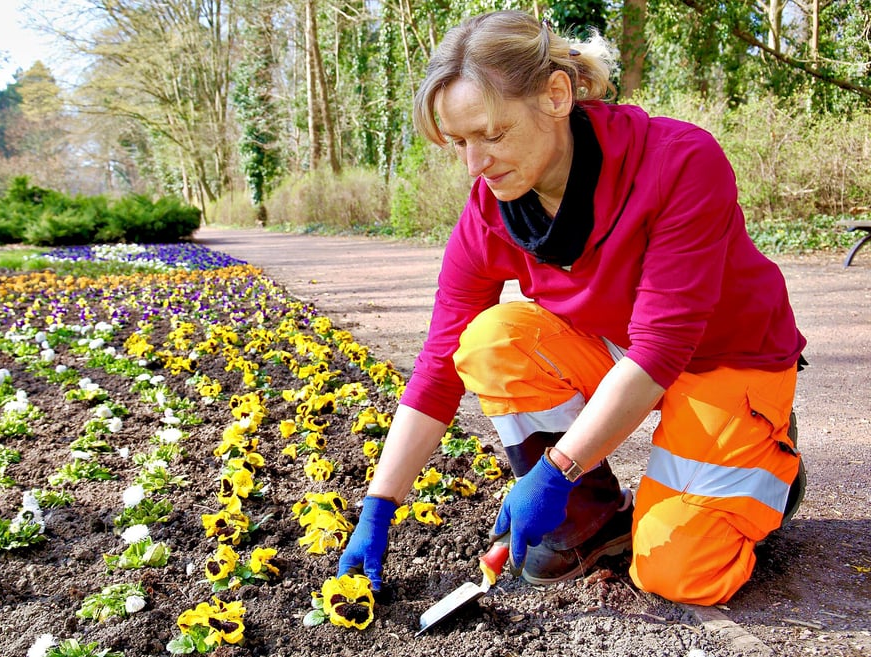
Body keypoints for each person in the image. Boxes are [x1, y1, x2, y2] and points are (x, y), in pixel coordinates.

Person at [337, 9, 807, 606]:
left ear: (556, 95)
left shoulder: (677, 161)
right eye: (459, 143)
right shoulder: (491, 211)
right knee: (489, 341)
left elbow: (663, 346)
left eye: (493, 134)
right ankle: (592, 519)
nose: (474, 165)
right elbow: (438, 363)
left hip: (725, 363)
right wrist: (378, 508)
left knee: (677, 574)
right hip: (626, 357)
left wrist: (554, 470)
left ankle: (769, 461)